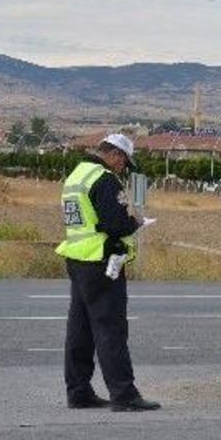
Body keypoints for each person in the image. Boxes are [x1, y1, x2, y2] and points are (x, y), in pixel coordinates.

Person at [56, 133, 160, 412]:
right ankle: (124, 394)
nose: (123, 168)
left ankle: (78, 391)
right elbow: (114, 223)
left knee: (80, 329)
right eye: (123, 162)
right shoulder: (103, 179)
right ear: (115, 155)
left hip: (77, 259)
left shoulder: (76, 176)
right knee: (110, 328)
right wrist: (135, 221)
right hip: (101, 261)